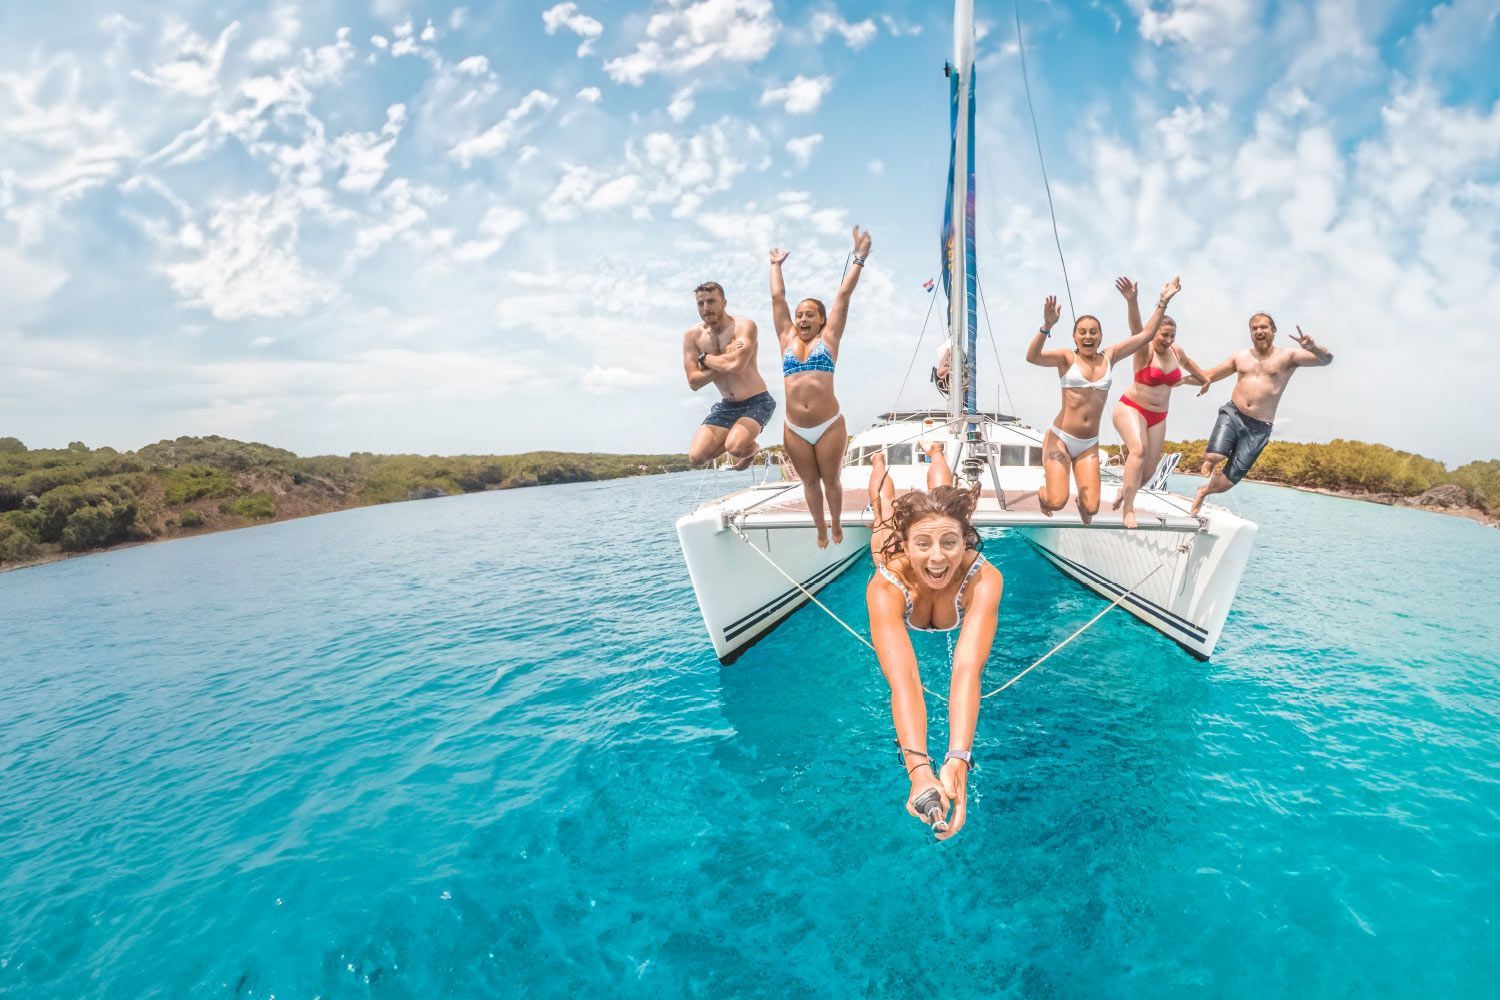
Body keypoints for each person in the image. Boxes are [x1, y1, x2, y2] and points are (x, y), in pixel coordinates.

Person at [866, 442, 1003, 841]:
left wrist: (957, 759)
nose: (938, 559)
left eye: (951, 543)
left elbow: (966, 669)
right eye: (922, 544)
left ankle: (937, 453)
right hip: (891, 549)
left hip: (948, 528)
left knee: (941, 504)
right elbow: (905, 681)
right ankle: (879, 465)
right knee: (883, 510)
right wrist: (919, 769)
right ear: (906, 546)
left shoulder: (983, 578)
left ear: (967, 543)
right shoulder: (886, 585)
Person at [1025, 276, 1181, 523]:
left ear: (1100, 336)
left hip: (1088, 444)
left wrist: (1162, 301)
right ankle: (1045, 492)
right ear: (1075, 337)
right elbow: (1032, 357)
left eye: (1093, 332)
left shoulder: (1111, 356)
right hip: (1061, 439)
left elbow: (1147, 334)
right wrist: (1046, 326)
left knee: (1091, 508)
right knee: (1056, 501)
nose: (1088, 336)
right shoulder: (1067, 358)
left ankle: (1081, 501)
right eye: (1082, 332)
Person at [768, 227, 872, 547]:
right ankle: (821, 528)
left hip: (828, 425)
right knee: (810, 484)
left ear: (822, 320)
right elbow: (777, 298)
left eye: (809, 314)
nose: (801, 319)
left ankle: (837, 523)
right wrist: (775, 265)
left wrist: (858, 258)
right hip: (794, 428)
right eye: (799, 315)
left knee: (831, 481)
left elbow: (842, 296)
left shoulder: (829, 339)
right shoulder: (786, 338)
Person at [1189, 314, 1334, 513]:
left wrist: (1313, 348)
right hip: (1233, 413)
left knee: (1226, 484)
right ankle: (1212, 460)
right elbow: (1209, 375)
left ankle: (1203, 491)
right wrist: (1178, 378)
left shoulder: (1288, 356)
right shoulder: (1240, 357)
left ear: (1273, 331)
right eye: (1254, 328)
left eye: (1264, 327)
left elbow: (1326, 360)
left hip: (1259, 427)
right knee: (1214, 454)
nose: (1259, 331)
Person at [1109, 310, 1209, 528]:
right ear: (1153, 333)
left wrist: (1205, 379)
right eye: (1164, 334)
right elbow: (1137, 329)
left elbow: (1189, 363)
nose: (1169, 340)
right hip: (1132, 408)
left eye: (1172, 335)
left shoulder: (1176, 352)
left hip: (1159, 416)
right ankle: (1128, 509)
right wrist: (1131, 301)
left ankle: (1122, 492)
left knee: (1150, 470)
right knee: (1139, 450)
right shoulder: (1145, 350)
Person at [682, 281, 776, 470]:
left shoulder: (743, 326)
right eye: (701, 304)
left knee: (734, 447)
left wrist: (704, 359)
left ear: (724, 302)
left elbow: (736, 365)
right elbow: (693, 382)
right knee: (697, 458)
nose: (706, 308)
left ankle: (751, 449)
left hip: (756, 401)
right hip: (727, 405)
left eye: (711, 301)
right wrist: (721, 359)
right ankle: (750, 448)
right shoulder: (693, 336)